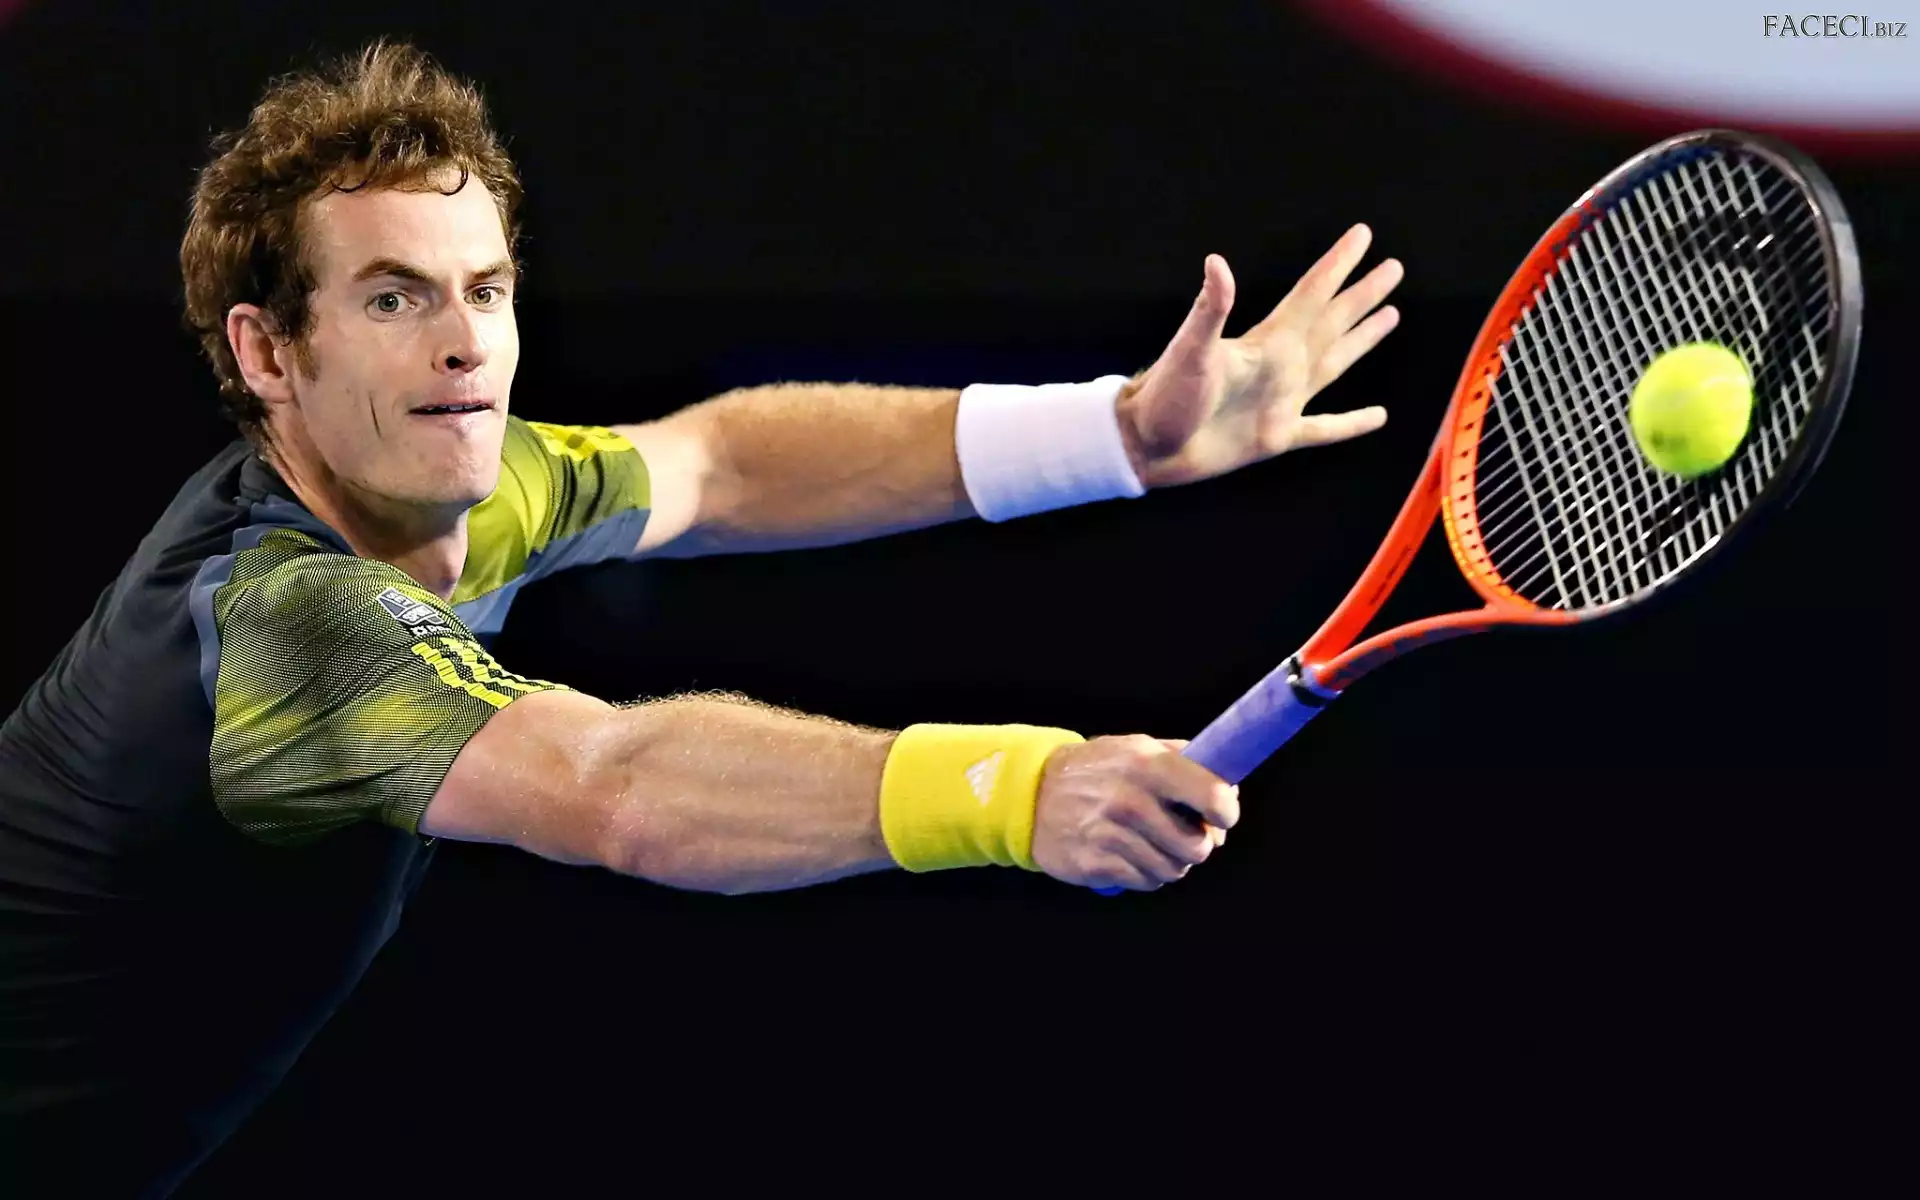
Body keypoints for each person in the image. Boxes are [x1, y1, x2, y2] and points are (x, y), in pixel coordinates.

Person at [0, 39, 1403, 1197]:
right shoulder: (284, 630)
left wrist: (1113, 437)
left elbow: (719, 463)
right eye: (392, 298)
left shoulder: (456, 489)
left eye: (484, 289)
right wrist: (1016, 789)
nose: (465, 342)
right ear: (267, 352)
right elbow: (614, 784)